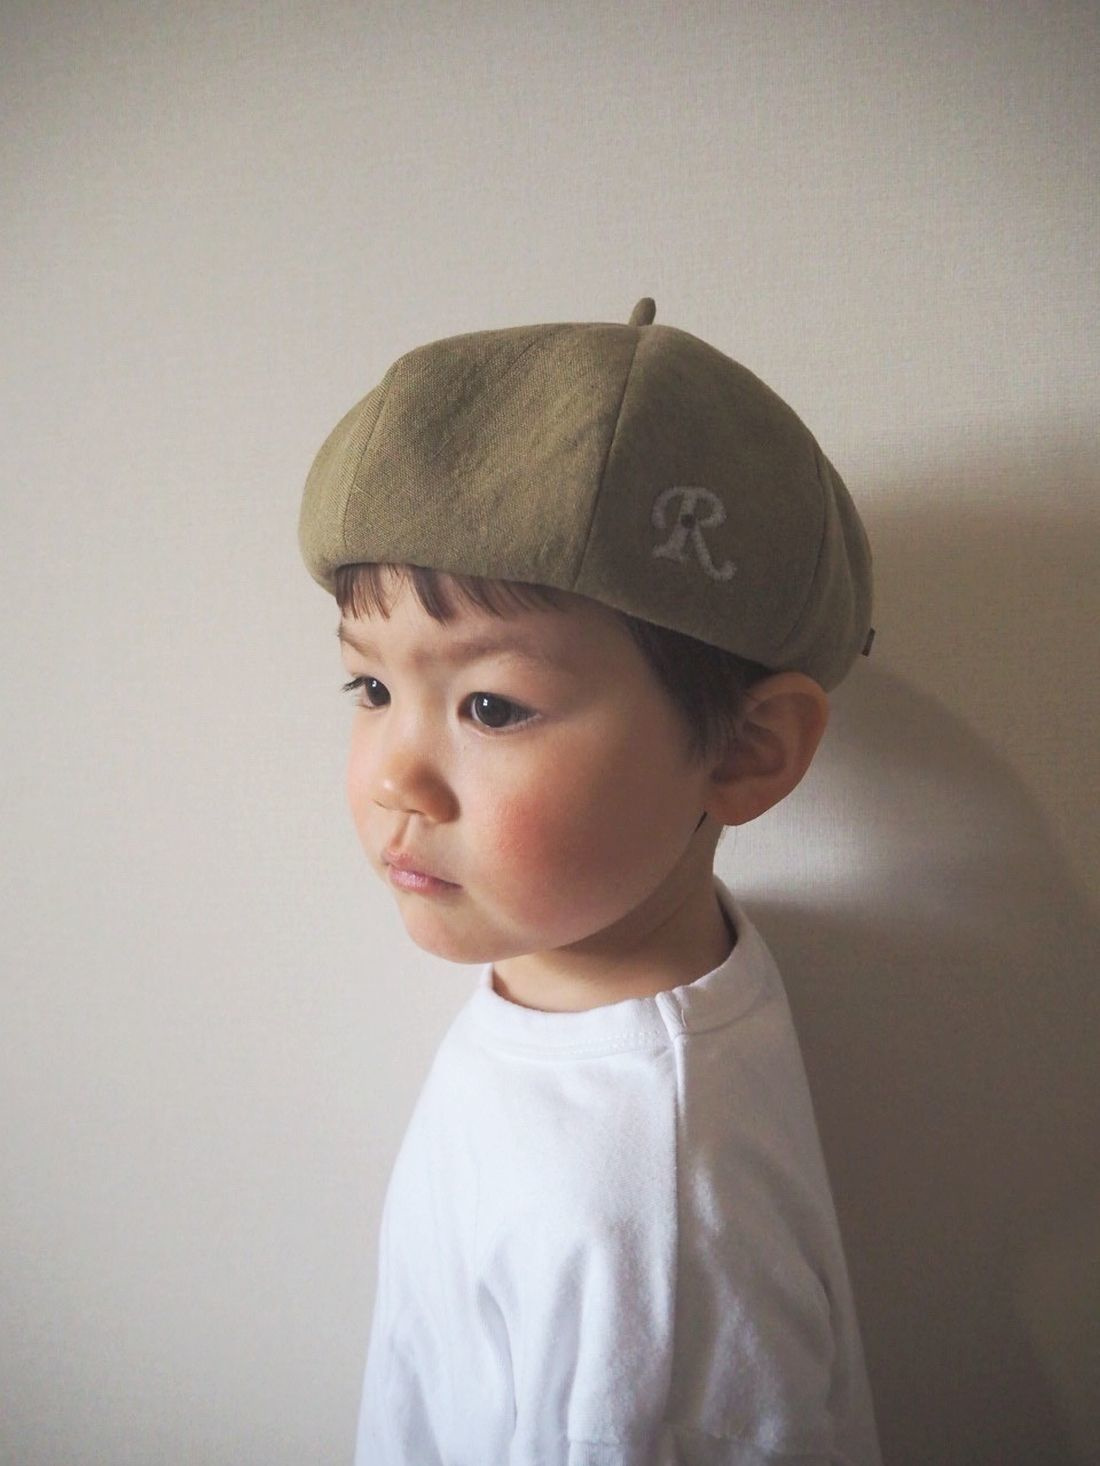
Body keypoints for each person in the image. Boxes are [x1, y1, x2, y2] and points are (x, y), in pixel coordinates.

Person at [297, 297, 883, 1464]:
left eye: (490, 705)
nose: (395, 776)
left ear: (744, 751)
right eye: (371, 688)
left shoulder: (637, 1225)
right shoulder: (601, 977)